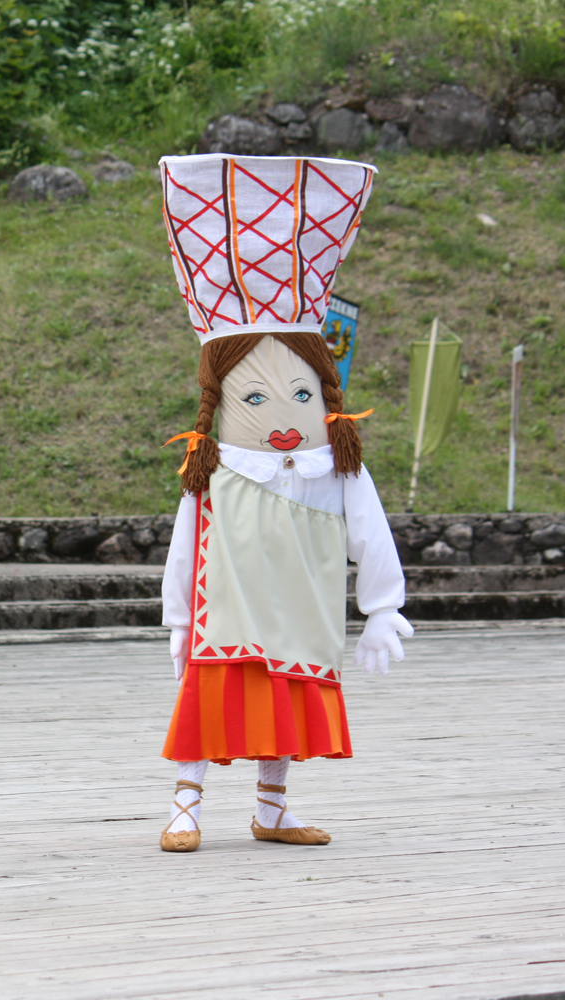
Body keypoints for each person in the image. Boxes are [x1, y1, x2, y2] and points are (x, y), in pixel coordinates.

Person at [154, 153, 413, 853]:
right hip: (227, 609)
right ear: (222, 400)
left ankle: (272, 808)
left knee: (284, 702)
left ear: (324, 393)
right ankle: (186, 804)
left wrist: (383, 607)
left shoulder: (336, 466)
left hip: (301, 606)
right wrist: (178, 620)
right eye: (255, 396)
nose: (282, 414)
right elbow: (186, 542)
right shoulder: (217, 468)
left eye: (301, 393)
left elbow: (371, 532)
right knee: (213, 698)